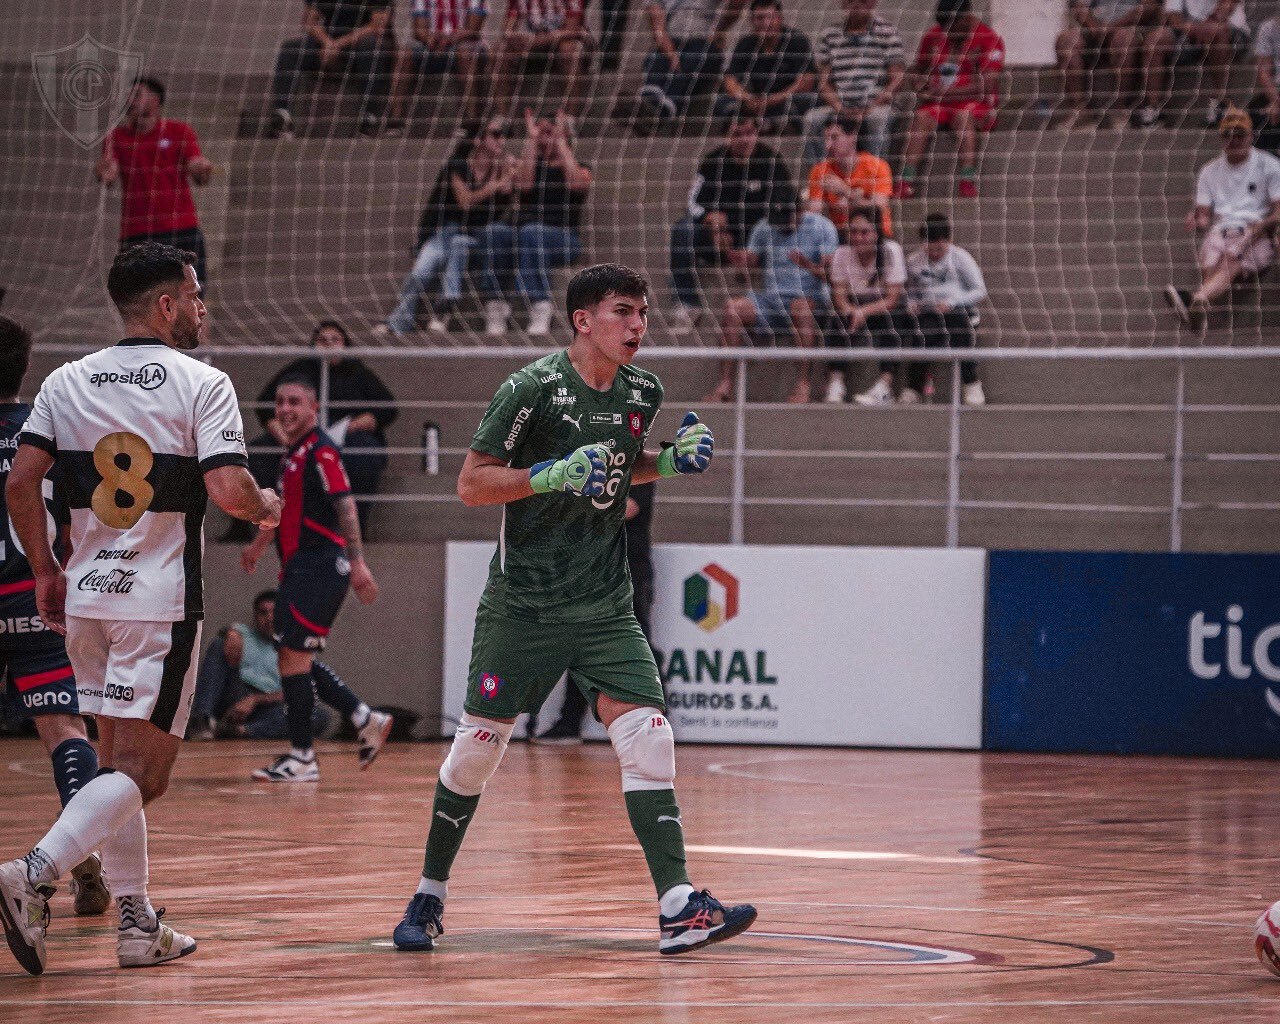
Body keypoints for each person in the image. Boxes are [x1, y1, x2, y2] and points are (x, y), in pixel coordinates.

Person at [390, 262, 755, 956]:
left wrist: (668, 462)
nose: (638, 325)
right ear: (583, 321)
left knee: (649, 737)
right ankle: (429, 893)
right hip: (523, 605)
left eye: (643, 313)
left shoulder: (643, 390)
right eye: (624, 312)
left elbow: (624, 463)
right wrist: (549, 475)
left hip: (604, 604)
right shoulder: (530, 388)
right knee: (474, 755)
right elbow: (471, 485)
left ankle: (678, 907)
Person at [0, 242, 281, 975]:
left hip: (87, 596)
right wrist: (267, 506)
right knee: (145, 775)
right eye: (194, 295)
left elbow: (20, 483)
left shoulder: (64, 380)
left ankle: (136, 922)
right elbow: (229, 490)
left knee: (112, 764)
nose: (202, 308)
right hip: (158, 601)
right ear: (166, 304)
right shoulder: (202, 382)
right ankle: (32, 872)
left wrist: (45, 570)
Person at [0, 317, 110, 919]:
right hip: (35, 593)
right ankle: (81, 853)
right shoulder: (44, 432)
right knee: (66, 730)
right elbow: (75, 519)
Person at [240, 379, 391, 783]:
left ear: (314, 408)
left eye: (295, 402)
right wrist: (258, 545)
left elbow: (346, 506)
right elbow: (284, 510)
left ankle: (305, 754)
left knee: (293, 658)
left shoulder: (321, 450)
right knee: (293, 658)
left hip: (320, 567)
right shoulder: (293, 453)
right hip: (299, 569)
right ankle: (361, 718)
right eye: (279, 402)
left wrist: (358, 563)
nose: (285, 409)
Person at [533, 480, 656, 744]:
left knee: (639, 645)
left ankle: (656, 719)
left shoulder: (637, 467)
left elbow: (628, 508)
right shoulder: (589, 468)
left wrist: (578, 507)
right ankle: (569, 723)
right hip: (589, 570)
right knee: (579, 644)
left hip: (628, 571)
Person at [251, 320, 396, 536]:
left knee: (366, 453)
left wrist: (354, 426)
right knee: (258, 453)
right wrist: (286, 439)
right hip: (298, 437)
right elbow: (265, 406)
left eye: (335, 340)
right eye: (322, 340)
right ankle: (264, 524)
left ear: (345, 344)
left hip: (346, 438)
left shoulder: (358, 372)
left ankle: (356, 527)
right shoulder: (299, 369)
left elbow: (388, 408)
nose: (329, 345)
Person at [377, 120, 518, 340]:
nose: (502, 139)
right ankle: (400, 321)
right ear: (478, 139)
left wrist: (507, 177)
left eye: (505, 134)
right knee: (421, 272)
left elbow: (506, 200)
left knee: (459, 246)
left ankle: (443, 309)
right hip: (446, 231)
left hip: (476, 234)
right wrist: (495, 185)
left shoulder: (500, 168)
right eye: (496, 134)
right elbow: (465, 201)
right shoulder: (458, 165)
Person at [707, 189, 838, 404]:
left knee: (801, 308)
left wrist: (808, 265)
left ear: (799, 211)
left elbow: (832, 276)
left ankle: (803, 384)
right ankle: (725, 384)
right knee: (733, 308)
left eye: (786, 219)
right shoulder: (765, 227)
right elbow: (747, 270)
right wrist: (739, 261)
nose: (781, 225)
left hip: (808, 298)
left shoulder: (822, 227)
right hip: (770, 301)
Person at [667, 115, 794, 335]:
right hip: (720, 239)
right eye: (737, 134)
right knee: (683, 229)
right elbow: (691, 202)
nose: (745, 139)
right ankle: (688, 303)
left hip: (759, 242)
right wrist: (709, 219)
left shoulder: (771, 161)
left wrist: (754, 247)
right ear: (726, 137)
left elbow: (786, 206)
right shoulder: (713, 162)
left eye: (750, 133)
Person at [1165, 107, 1280, 329]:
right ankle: (1199, 308)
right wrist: (1197, 219)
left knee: (1234, 254)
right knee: (1211, 257)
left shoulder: (1270, 165)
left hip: (1256, 231)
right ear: (1221, 137)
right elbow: (1204, 217)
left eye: (1240, 134)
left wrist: (1258, 228)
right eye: (1228, 134)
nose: (1234, 140)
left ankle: (1196, 299)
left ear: (1251, 135)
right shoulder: (1209, 171)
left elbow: (1278, 211)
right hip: (1221, 230)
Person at [95, 78, 213, 289]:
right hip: (137, 233)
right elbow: (109, 175)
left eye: (136, 95)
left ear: (155, 100)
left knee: (192, 297)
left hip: (181, 229)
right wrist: (103, 171)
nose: (130, 101)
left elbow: (196, 168)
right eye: (128, 96)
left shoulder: (179, 131)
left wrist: (201, 168)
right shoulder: (115, 138)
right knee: (138, 298)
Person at [896, 0, 1005, 200]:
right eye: (945, 28)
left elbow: (986, 86)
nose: (948, 33)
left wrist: (943, 93)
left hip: (974, 104)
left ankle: (967, 181)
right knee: (921, 117)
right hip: (940, 103)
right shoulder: (934, 36)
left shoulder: (989, 39)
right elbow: (918, 70)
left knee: (964, 116)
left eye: (952, 27)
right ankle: (906, 182)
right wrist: (919, 84)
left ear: (966, 17)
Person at [190, 590, 328, 741]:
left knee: (317, 715)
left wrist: (255, 699)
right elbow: (229, 632)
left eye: (274, 612)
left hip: (267, 705)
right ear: (255, 617)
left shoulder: (296, 648)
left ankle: (239, 731)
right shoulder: (243, 634)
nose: (269, 618)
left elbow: (296, 691)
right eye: (263, 613)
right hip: (235, 693)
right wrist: (229, 633)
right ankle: (202, 720)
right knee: (219, 644)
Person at [268, 0, 396, 139]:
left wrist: (338, 45)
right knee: (291, 49)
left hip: (364, 42)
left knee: (370, 48)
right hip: (330, 42)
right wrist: (327, 43)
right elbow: (309, 21)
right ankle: (282, 115)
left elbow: (378, 25)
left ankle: (369, 118)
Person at [802, 0, 905, 165]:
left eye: (863, 0)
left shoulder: (888, 32)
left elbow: (897, 79)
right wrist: (840, 107)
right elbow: (824, 84)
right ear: (843, 3)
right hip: (841, 106)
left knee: (877, 120)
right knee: (811, 119)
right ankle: (820, 174)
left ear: (873, 3)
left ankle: (875, 175)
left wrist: (871, 106)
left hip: (878, 106)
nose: (857, 4)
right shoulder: (829, 35)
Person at [826, 208, 910, 405]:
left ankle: (885, 386)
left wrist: (863, 312)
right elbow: (839, 296)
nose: (858, 238)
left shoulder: (891, 251)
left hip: (882, 307)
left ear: (876, 232)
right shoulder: (842, 253)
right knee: (837, 320)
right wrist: (851, 311)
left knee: (895, 321)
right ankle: (836, 382)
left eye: (864, 232)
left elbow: (893, 298)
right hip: (854, 305)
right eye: (854, 232)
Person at [904, 213, 988, 406]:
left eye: (939, 248)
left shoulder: (960, 258)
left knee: (958, 326)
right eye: (929, 247)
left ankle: (971, 383)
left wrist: (953, 302)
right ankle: (913, 388)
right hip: (930, 312)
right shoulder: (914, 261)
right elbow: (912, 292)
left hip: (959, 312)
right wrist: (912, 303)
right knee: (922, 333)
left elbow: (979, 290)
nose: (934, 253)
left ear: (948, 241)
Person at [1137, 0, 1250, 128]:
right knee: (1154, 40)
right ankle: (1153, 109)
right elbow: (1173, 14)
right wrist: (1190, 28)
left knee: (1217, 31)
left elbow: (1228, 4)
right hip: (1190, 31)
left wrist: (1211, 22)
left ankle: (1221, 102)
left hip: (1230, 28)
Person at [1055, 1, 1165, 129]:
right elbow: (1077, 4)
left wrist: (1112, 28)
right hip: (1093, 27)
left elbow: (1150, 6)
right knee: (1066, 42)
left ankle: (1121, 110)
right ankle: (1081, 111)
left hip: (1131, 26)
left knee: (1123, 40)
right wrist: (1093, 25)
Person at [636, 0, 746, 127]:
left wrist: (718, 30)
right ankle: (647, 101)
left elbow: (738, 3)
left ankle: (661, 109)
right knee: (656, 59)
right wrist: (672, 55)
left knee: (699, 58)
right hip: (669, 41)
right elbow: (657, 25)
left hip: (702, 42)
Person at [387, 0, 489, 130]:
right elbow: (419, 29)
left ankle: (471, 120)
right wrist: (430, 39)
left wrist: (448, 39)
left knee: (465, 53)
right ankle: (396, 119)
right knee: (404, 54)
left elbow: (473, 29)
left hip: (464, 43)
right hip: (432, 45)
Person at [715, 0, 816, 132]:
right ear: (751, 21)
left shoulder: (796, 40)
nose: (766, 23)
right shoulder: (746, 43)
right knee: (721, 102)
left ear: (780, 18)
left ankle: (773, 127)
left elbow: (806, 82)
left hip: (785, 99)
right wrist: (748, 98)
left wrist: (771, 100)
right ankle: (744, 132)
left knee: (803, 101)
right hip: (756, 101)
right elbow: (730, 80)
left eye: (771, 17)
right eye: (760, 18)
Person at [494, 0, 593, 120]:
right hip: (535, 48)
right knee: (499, 50)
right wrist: (517, 38)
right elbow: (507, 30)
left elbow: (572, 29)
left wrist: (537, 41)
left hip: (565, 43)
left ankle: (569, 118)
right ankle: (504, 118)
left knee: (569, 49)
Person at [806, 110, 893, 236]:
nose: (827, 145)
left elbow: (879, 209)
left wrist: (846, 192)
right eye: (825, 139)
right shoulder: (820, 170)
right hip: (840, 236)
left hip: (875, 236)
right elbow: (814, 214)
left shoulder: (877, 166)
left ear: (853, 137)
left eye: (834, 137)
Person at [1248, 14, 1280, 153]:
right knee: (1259, 113)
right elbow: (1264, 72)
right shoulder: (1268, 28)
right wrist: (1276, 100)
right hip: (1277, 90)